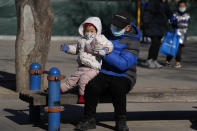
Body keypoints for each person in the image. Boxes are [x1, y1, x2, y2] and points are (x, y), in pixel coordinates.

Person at [75, 12, 141, 131]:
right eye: (113, 25)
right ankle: (89, 119)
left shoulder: (133, 42)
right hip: (103, 72)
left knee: (118, 87)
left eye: (119, 27)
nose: (114, 28)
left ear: (128, 28)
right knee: (91, 86)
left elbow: (123, 64)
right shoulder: (104, 34)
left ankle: (121, 120)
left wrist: (105, 55)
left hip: (125, 75)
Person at [60, 17, 113, 103]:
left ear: (97, 31)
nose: (89, 33)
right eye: (87, 31)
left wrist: (105, 50)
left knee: (83, 79)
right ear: (83, 31)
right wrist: (67, 48)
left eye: (92, 31)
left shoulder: (100, 38)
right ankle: (58, 90)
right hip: (81, 67)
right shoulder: (81, 40)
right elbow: (76, 49)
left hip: (93, 68)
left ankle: (82, 96)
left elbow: (110, 45)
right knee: (72, 80)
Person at [143, 0, 172, 68]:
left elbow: (168, 12)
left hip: (159, 26)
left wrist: (172, 17)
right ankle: (149, 60)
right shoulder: (152, 2)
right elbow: (146, 13)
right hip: (152, 25)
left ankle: (154, 60)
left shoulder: (164, 3)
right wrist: (146, 23)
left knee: (158, 43)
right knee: (155, 42)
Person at [165, 0, 191, 68]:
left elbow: (187, 23)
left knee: (178, 49)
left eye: (183, 6)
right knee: (176, 49)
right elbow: (170, 22)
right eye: (180, 6)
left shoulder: (187, 15)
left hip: (183, 35)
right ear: (178, 7)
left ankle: (168, 61)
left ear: (185, 6)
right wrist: (174, 23)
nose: (182, 7)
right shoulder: (175, 14)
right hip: (175, 34)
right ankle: (177, 62)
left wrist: (181, 24)